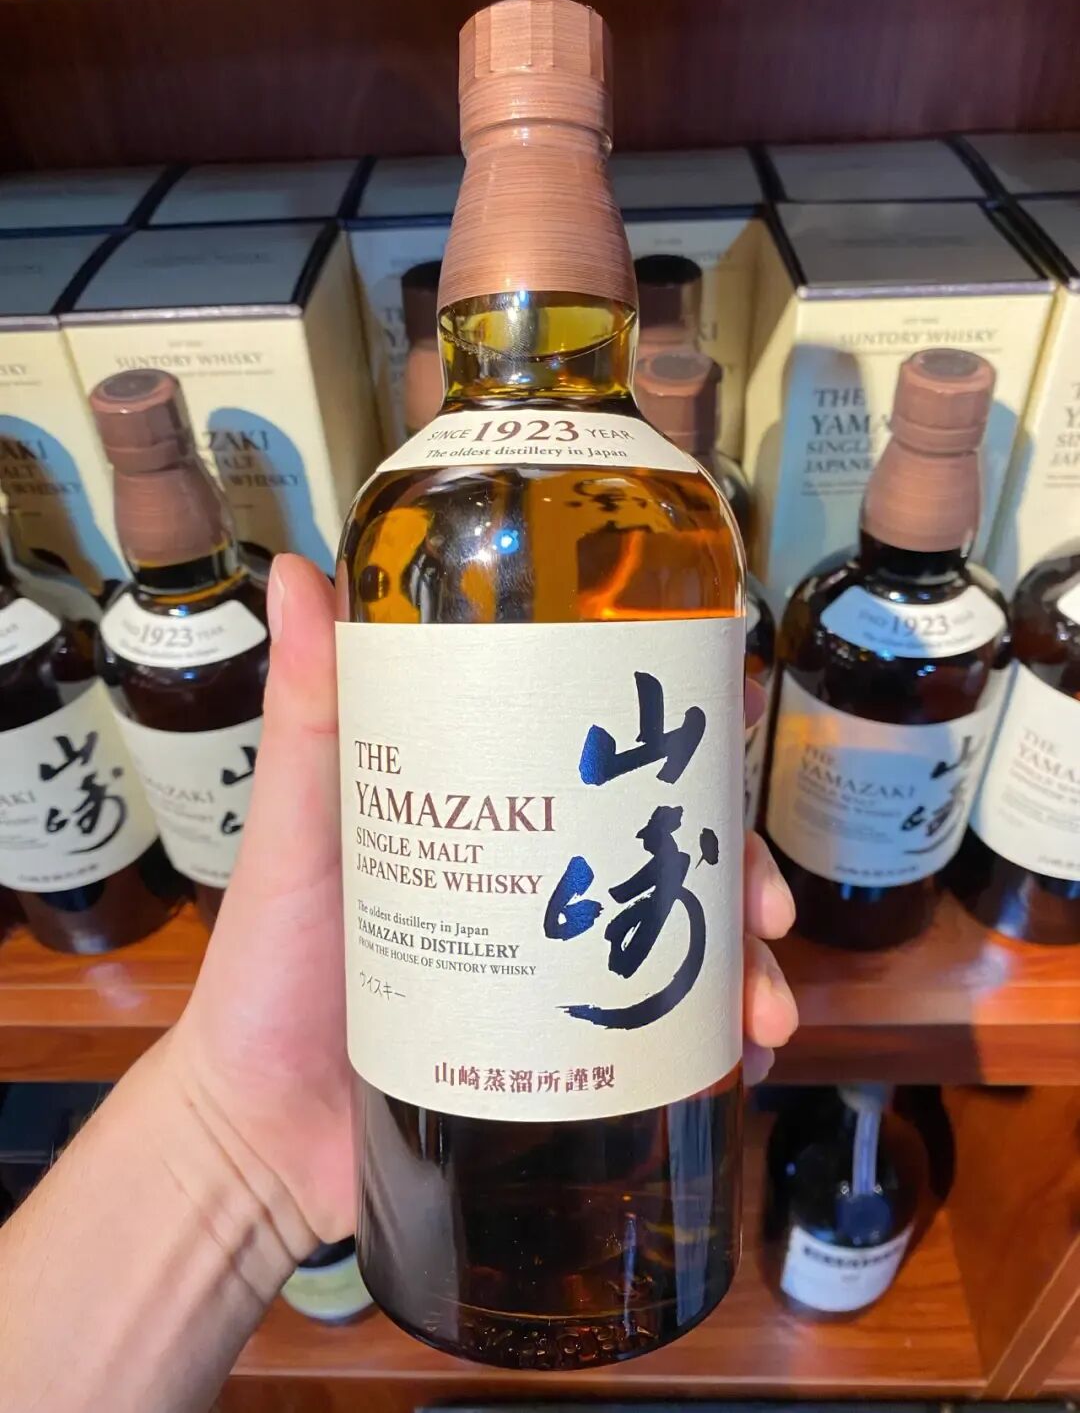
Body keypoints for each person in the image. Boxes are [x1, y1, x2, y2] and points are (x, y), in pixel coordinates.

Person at [0, 554, 799, 1413]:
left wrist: (229, 1153)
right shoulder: (413, 516)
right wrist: (226, 1134)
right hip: (417, 1146)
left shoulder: (665, 515)